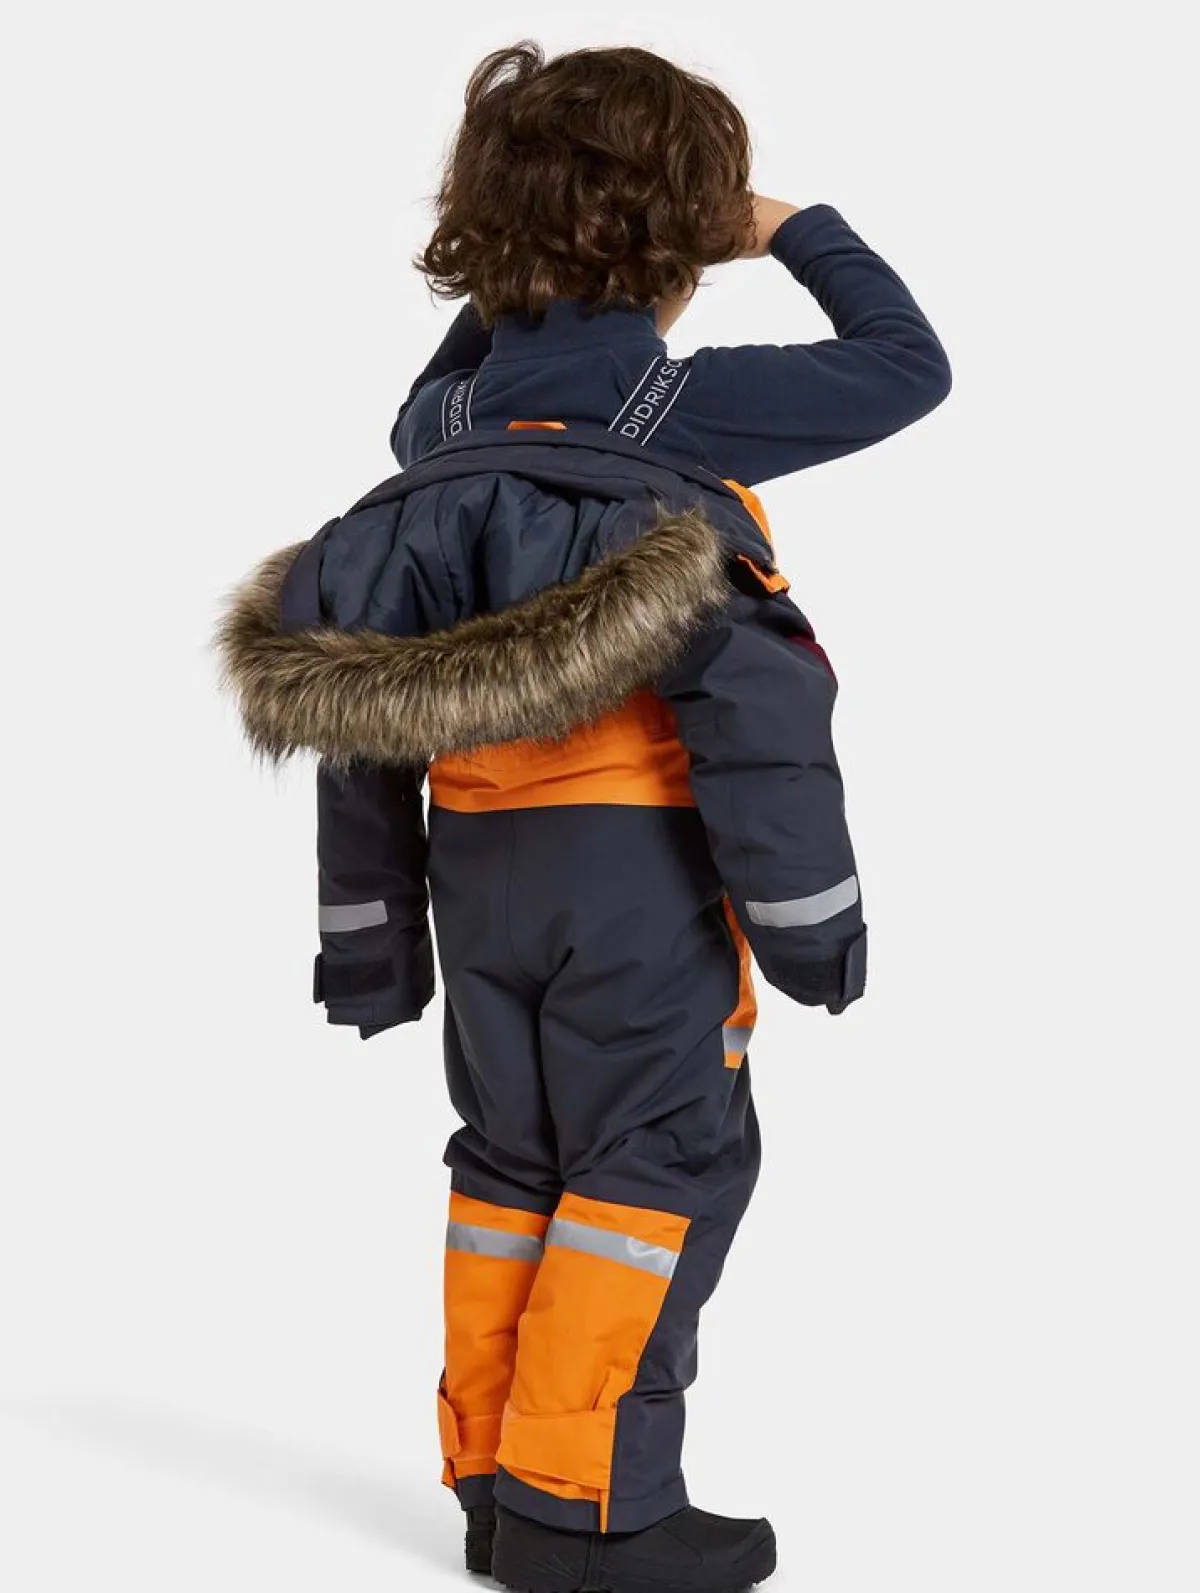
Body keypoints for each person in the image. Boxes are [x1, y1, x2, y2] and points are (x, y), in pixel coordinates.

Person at [218, 40, 951, 1593]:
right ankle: (592, 1512)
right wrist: (790, 227)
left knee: (513, 1162)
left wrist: (371, 945)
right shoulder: (679, 404)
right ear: (685, 245)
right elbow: (904, 366)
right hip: (633, 873)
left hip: (475, 868)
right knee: (656, 1166)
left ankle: (497, 1485)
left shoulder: (442, 431)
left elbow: (363, 721)